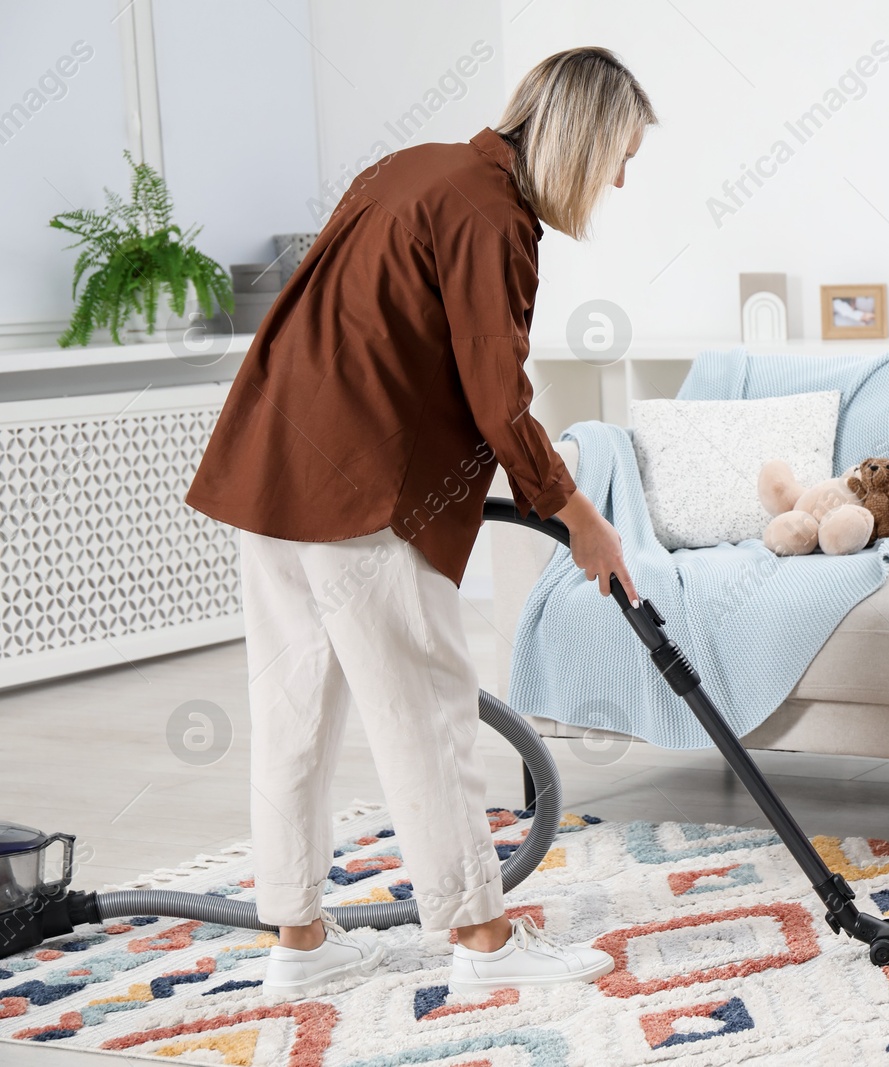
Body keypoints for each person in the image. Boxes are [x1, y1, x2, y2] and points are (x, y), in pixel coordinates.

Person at [185, 47, 655, 995]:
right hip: (363, 494)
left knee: (292, 714)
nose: (616, 180)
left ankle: (298, 947)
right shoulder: (493, 217)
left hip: (270, 468)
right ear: (583, 135)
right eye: (620, 156)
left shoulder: (410, 167)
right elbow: (499, 401)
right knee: (428, 713)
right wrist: (583, 518)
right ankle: (483, 947)